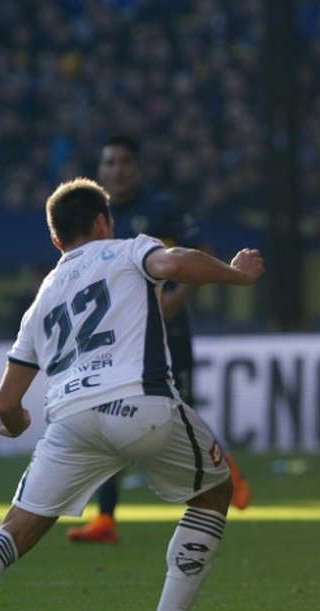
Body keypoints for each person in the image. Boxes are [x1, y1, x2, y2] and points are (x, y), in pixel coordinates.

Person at [0, 177, 265, 611]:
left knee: (15, 527)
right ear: (104, 221)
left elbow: (6, 403)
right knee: (214, 492)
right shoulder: (127, 250)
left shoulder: (42, 297)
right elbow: (171, 262)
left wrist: (16, 424)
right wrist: (236, 274)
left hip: (70, 422)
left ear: (56, 239)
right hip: (138, 404)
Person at [66, 135, 250, 544]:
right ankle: (106, 519)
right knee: (106, 414)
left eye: (126, 162)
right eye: (110, 162)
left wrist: (174, 300)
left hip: (168, 332)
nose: (118, 169)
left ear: (139, 168)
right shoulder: (92, 216)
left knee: (178, 410)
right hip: (117, 337)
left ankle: (222, 471)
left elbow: (200, 251)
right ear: (101, 170)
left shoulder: (161, 209)